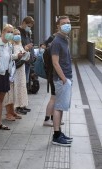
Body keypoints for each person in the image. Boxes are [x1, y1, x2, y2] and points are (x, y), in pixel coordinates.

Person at [50, 16, 73, 146]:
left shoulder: (65, 39)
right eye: (64, 23)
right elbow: (55, 62)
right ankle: (56, 135)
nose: (67, 25)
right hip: (61, 79)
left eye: (68, 23)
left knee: (62, 106)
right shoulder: (57, 41)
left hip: (66, 78)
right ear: (58, 26)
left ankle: (59, 132)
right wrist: (64, 79)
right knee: (58, 107)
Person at [3, 29, 29, 120]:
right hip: (13, 72)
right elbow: (11, 58)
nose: (17, 36)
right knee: (10, 92)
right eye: (15, 34)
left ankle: (13, 111)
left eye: (19, 34)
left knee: (16, 92)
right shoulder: (10, 45)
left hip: (20, 72)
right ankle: (8, 113)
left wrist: (25, 53)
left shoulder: (20, 44)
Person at [18, 16, 35, 101]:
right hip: (21, 61)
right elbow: (16, 47)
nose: (29, 28)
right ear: (23, 23)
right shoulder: (18, 32)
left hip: (27, 60)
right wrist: (25, 48)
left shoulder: (27, 32)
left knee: (25, 82)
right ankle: (20, 104)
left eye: (30, 26)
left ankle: (23, 102)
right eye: (28, 25)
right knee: (21, 83)